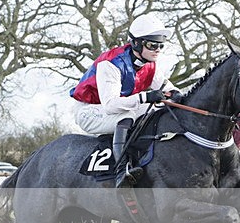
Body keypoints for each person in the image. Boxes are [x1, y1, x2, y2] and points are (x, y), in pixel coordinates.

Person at [70, 13, 183, 188]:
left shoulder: (149, 64)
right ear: (136, 43)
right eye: (152, 45)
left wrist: (177, 95)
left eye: (161, 45)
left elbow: (168, 87)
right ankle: (122, 172)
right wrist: (145, 96)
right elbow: (110, 105)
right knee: (128, 114)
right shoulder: (111, 63)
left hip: (112, 109)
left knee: (156, 111)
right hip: (89, 111)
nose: (157, 50)